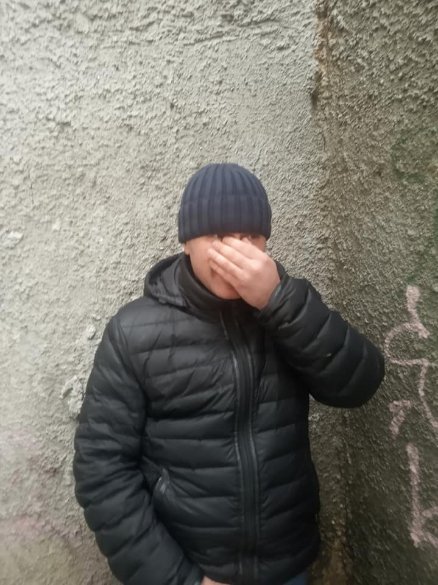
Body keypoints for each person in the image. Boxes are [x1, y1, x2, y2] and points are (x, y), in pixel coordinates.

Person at [73, 163, 385, 585]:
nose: (237, 251)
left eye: (250, 236)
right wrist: (179, 579)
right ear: (187, 242)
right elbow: (101, 469)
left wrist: (278, 302)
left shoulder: (289, 308)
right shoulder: (133, 332)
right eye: (218, 236)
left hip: (287, 562)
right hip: (192, 565)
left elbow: (358, 384)